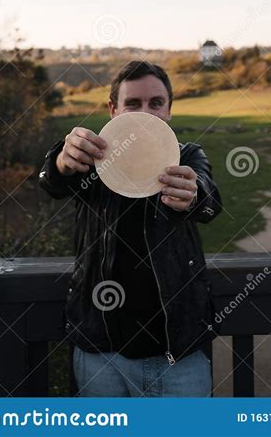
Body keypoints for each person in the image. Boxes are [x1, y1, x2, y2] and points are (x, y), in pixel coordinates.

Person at [38, 60, 222, 397]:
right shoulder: (93, 159)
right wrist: (61, 162)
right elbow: (54, 182)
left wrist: (194, 194)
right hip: (101, 356)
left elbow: (209, 200)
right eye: (133, 103)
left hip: (178, 356)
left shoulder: (187, 156)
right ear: (113, 109)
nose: (146, 112)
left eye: (156, 103)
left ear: (169, 109)